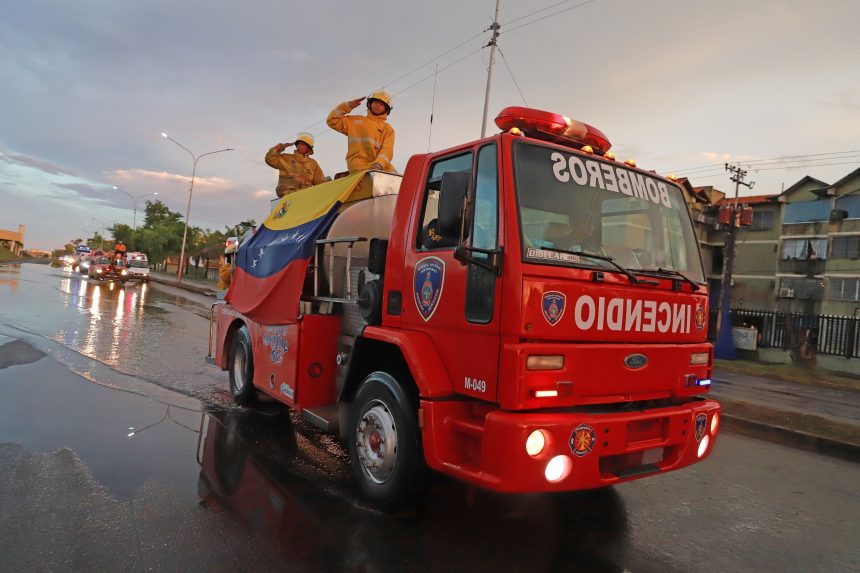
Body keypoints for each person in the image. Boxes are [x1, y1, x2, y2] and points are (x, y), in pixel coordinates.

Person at [326, 90, 396, 174]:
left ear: (386, 109)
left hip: (381, 166)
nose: (378, 104)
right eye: (376, 102)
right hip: (359, 166)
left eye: (382, 104)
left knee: (399, 182)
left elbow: (387, 150)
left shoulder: (388, 129)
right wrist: (347, 106)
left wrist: (379, 164)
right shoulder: (355, 121)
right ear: (370, 104)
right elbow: (332, 120)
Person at [265, 132, 326, 197]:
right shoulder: (286, 158)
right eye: (298, 144)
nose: (299, 146)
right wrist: (281, 146)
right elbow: (269, 159)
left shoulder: (313, 163)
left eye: (302, 145)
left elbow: (320, 182)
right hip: (288, 196)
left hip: (306, 196)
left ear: (308, 148)